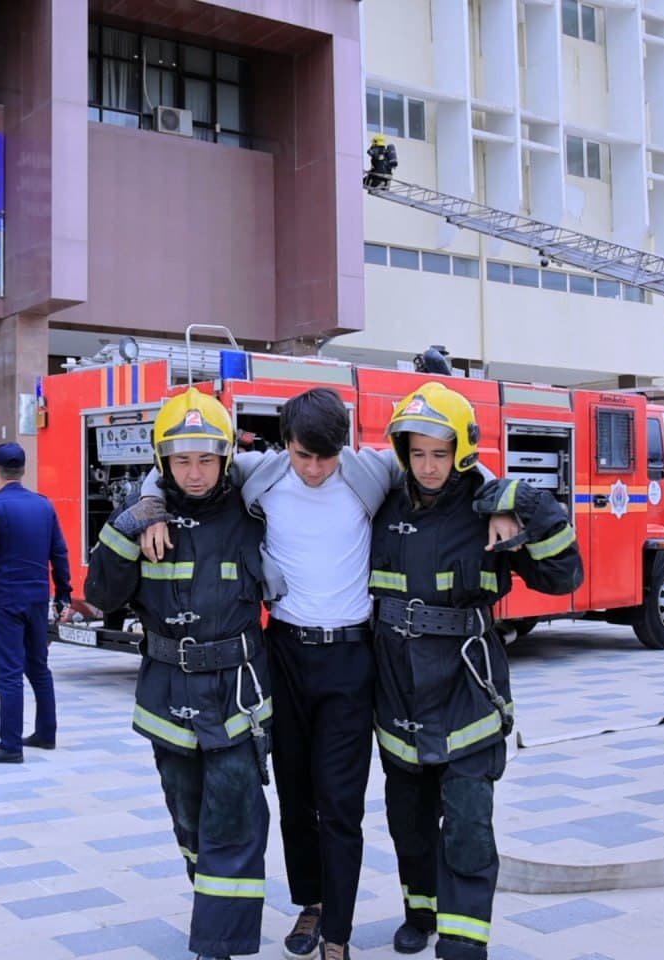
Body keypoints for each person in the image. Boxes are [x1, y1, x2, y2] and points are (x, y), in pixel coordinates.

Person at [141, 387, 401, 960]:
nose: (314, 469)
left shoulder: (371, 472)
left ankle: (338, 933)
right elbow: (176, 466)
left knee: (340, 803)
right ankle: (310, 903)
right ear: (286, 444)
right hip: (281, 654)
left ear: (345, 444)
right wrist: (148, 511)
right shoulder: (260, 474)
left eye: (325, 457)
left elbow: (456, 463)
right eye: (304, 455)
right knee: (294, 794)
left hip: (350, 658)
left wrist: (504, 503)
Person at [370, 383, 582, 960]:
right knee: (408, 828)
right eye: (417, 454)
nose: (429, 466)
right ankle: (421, 911)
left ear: (462, 450)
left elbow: (565, 578)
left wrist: (528, 506)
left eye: (441, 453)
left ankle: (464, 941)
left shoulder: (492, 508)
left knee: (466, 827)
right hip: (398, 701)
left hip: (467, 692)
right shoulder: (382, 510)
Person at [88, 389, 271, 960]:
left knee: (235, 817)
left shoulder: (256, 511)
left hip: (238, 695)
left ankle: (218, 944)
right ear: (162, 461)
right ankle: (211, 907)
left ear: (225, 457)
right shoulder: (144, 520)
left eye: (206, 459)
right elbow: (100, 596)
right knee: (189, 817)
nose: (194, 473)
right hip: (168, 697)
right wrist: (127, 527)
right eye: (181, 461)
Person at [0, 442, 73, 764]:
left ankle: (10, 745)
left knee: (9, 673)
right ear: (23, 470)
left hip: (7, 602)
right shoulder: (44, 506)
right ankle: (46, 733)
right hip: (38, 600)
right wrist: (63, 595)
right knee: (38, 668)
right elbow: (59, 554)